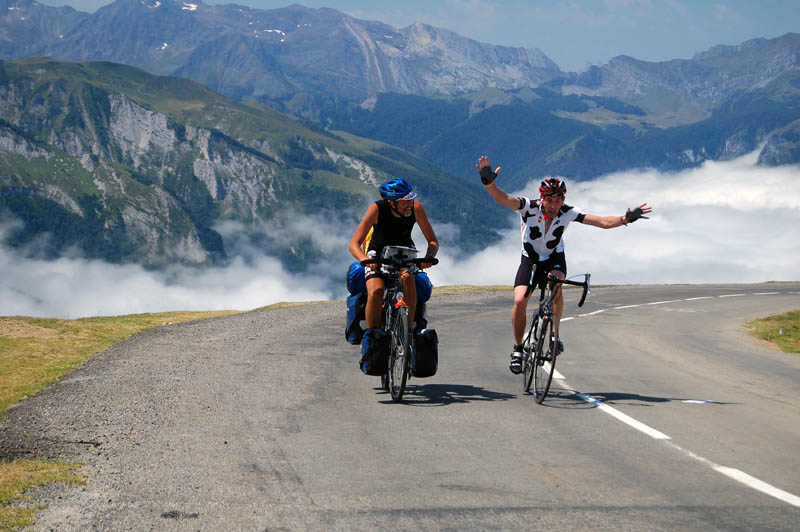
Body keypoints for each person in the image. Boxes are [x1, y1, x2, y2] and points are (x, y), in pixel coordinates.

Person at [476, 155, 652, 374]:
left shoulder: (569, 212)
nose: (553, 205)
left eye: (558, 200)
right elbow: (504, 199)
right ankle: (518, 349)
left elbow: (602, 223)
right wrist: (489, 184)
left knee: (556, 285)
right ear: (542, 198)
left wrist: (625, 219)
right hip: (530, 258)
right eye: (549, 200)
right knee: (520, 301)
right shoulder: (529, 207)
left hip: (554, 258)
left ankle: (553, 335)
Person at [349, 177, 439, 332]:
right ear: (392, 202)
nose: (410, 204)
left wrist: (429, 256)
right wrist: (366, 259)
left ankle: (407, 331)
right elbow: (354, 244)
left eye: (411, 199)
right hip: (377, 255)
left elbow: (433, 241)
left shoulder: (416, 208)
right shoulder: (377, 209)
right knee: (376, 291)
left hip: (405, 254)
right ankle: (373, 337)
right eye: (405, 201)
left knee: (408, 279)